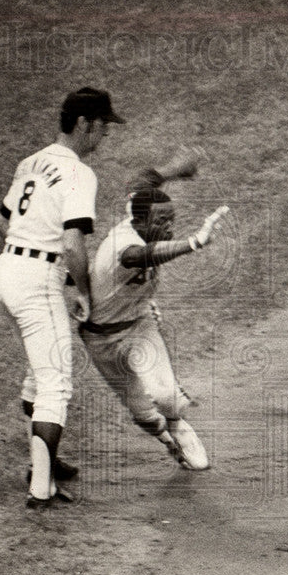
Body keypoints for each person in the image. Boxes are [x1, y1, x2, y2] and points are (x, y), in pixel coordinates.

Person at [0, 87, 124, 508]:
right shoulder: (80, 173)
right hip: (36, 280)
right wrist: (81, 290)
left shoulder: (31, 161)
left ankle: (45, 462)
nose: (104, 136)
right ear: (83, 123)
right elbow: (71, 244)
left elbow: (0, 224)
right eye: (102, 127)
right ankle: (39, 487)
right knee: (56, 385)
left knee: (38, 369)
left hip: (6, 272)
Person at [80, 150, 229, 469]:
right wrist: (194, 243)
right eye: (162, 223)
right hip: (102, 339)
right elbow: (146, 255)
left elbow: (142, 182)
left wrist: (174, 169)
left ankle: (180, 426)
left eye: (171, 221)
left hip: (139, 325)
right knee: (145, 416)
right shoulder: (124, 248)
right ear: (139, 221)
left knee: (166, 399)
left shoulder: (138, 207)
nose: (169, 229)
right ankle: (167, 440)